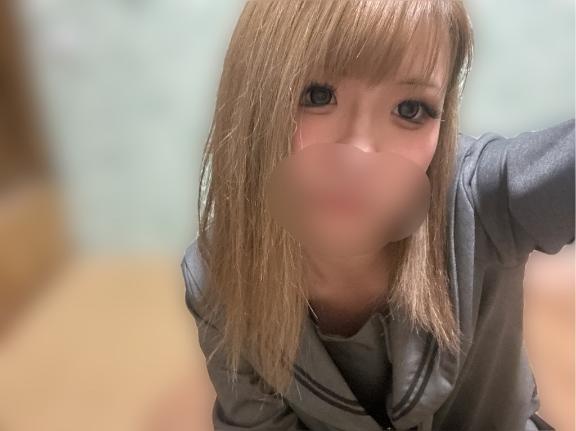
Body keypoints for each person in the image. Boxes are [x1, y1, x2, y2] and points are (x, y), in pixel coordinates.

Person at [180, 1, 575, 429]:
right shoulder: (220, 277)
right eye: (318, 96)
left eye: (410, 109)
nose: (359, 156)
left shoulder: (480, 198)